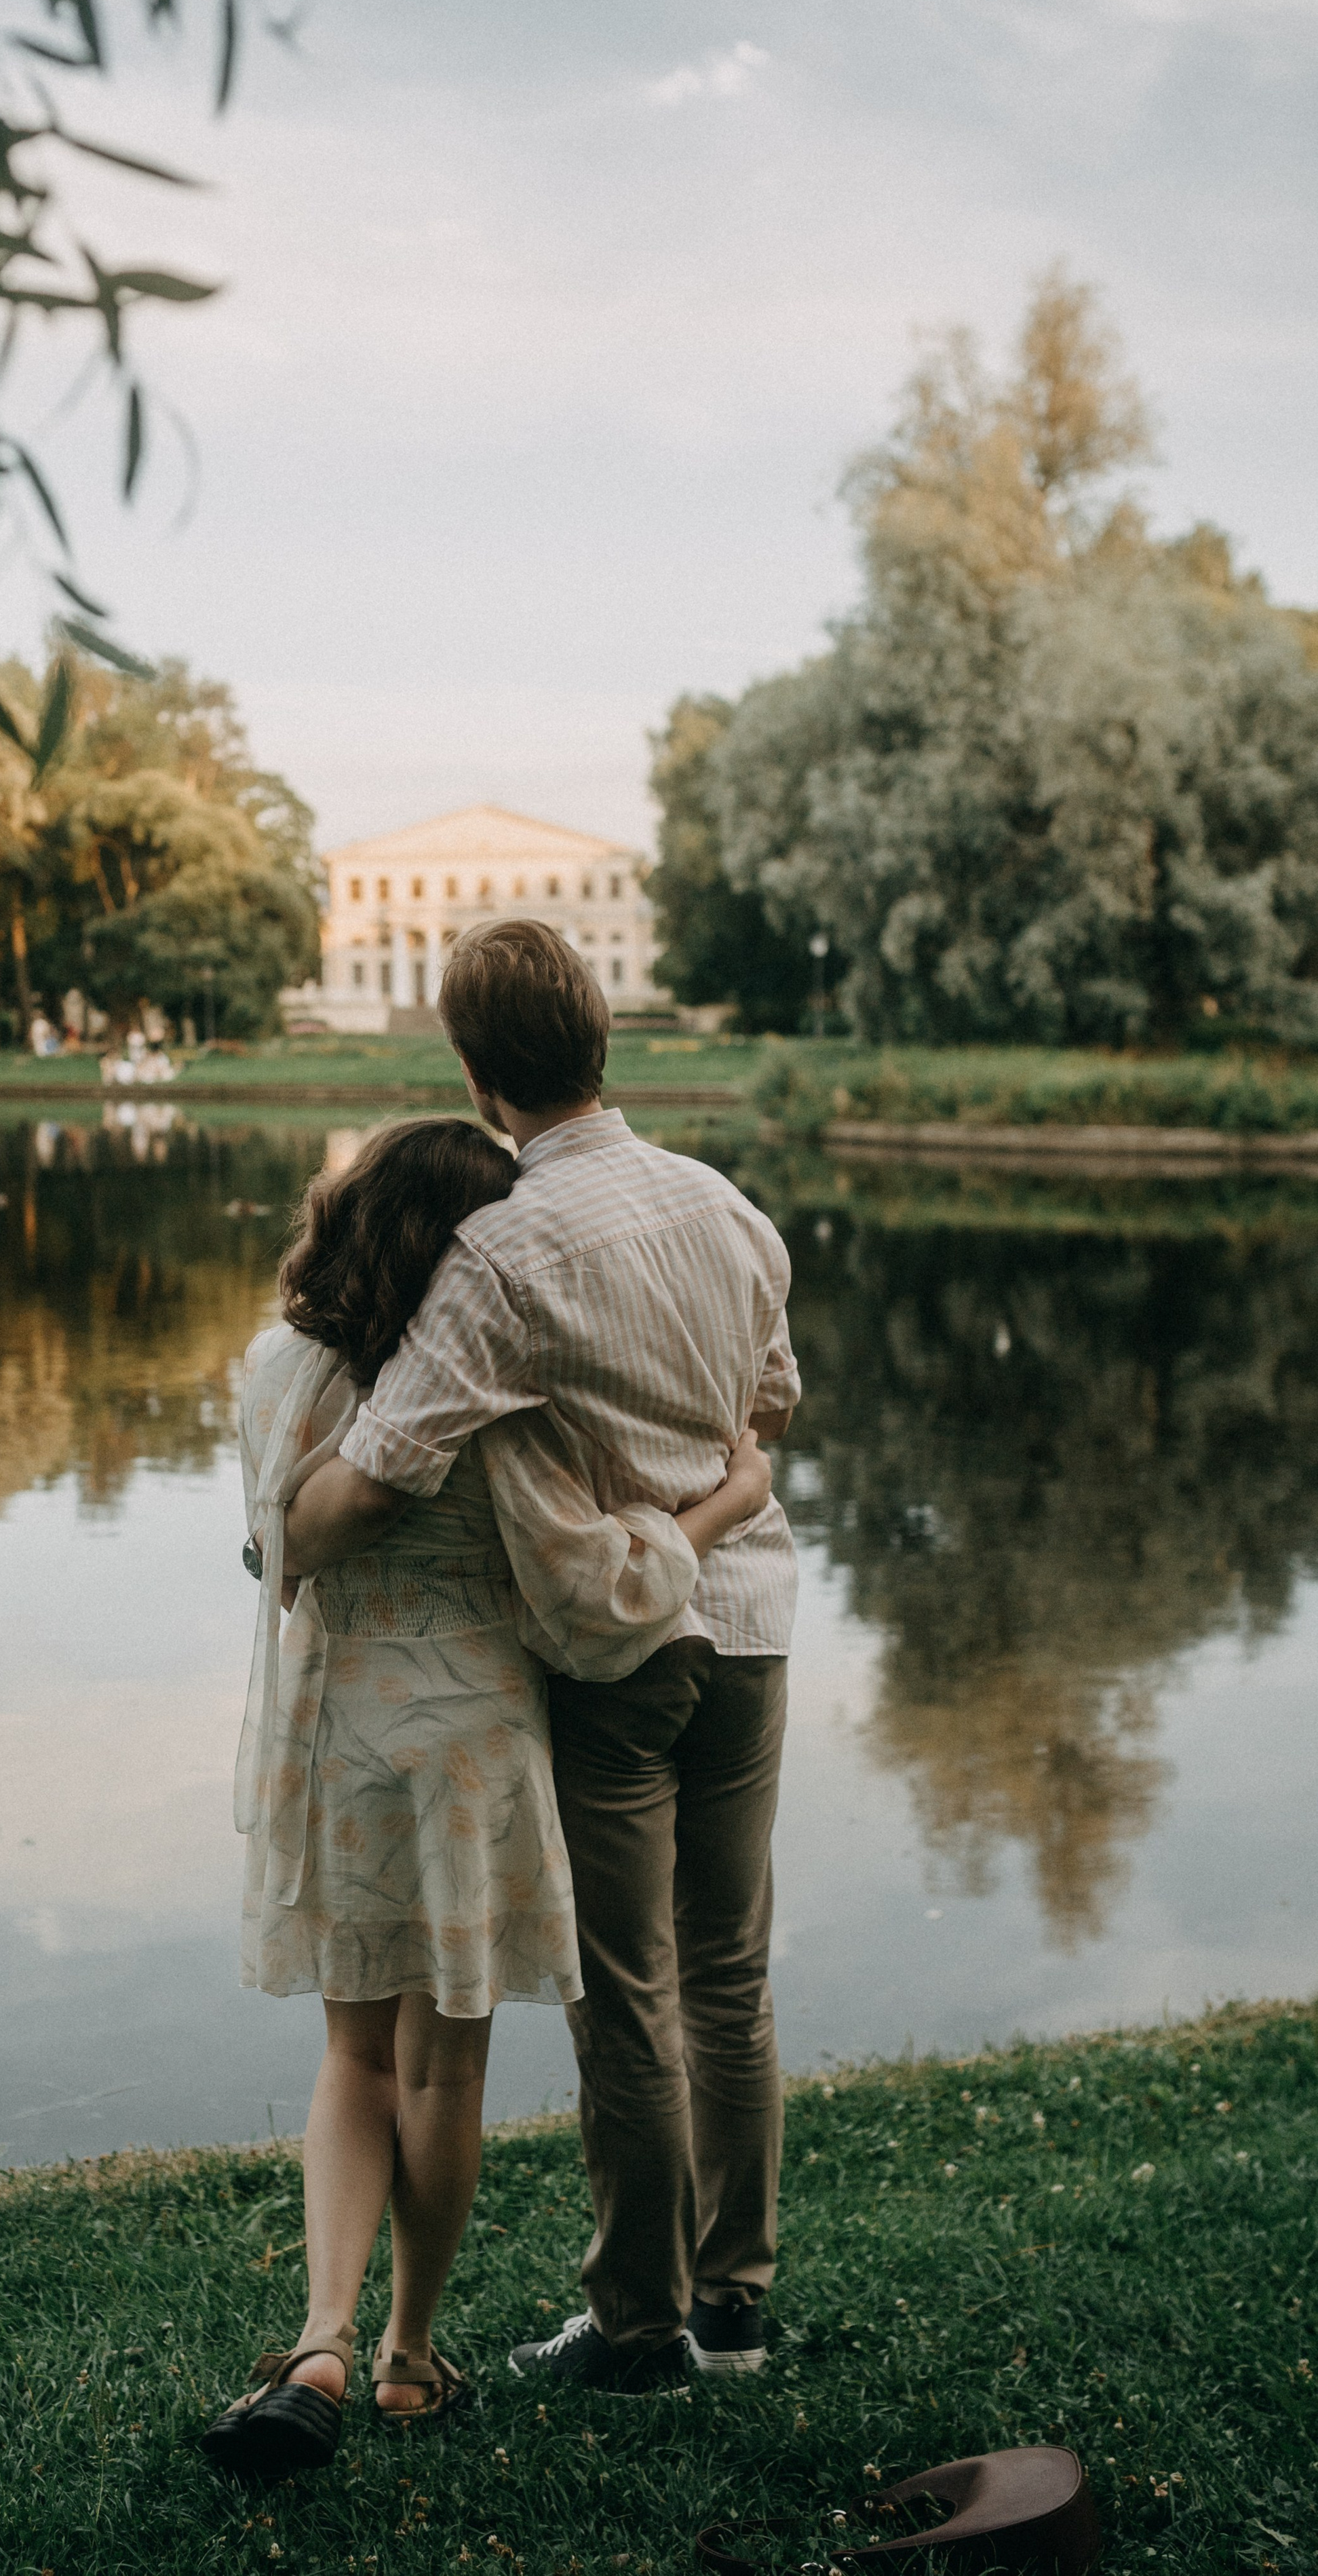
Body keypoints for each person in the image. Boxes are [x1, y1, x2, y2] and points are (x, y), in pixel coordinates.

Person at [204, 1116, 772, 2480]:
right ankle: (407, 2357)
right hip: (469, 1750)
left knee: (348, 2056)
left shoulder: (280, 1373)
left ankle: (320, 2338)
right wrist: (722, 1504)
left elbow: (265, 1546)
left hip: (338, 1730)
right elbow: (594, 1587)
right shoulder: (482, 1405)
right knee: (438, 2063)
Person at [286, 922, 801, 2396]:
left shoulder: (499, 1252)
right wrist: (703, 1491)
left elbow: (380, 1470)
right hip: (750, 1623)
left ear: (470, 1070)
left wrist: (287, 1534)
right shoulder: (724, 1207)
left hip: (616, 1654)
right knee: (729, 1975)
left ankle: (639, 2328)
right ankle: (738, 2311)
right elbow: (773, 1400)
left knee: (624, 1989)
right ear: (602, 1038)